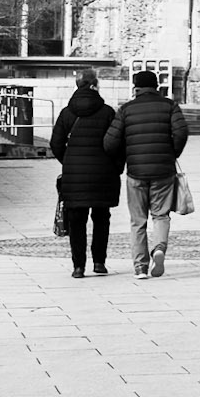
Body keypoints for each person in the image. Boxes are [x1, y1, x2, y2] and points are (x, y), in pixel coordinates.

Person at [103, 68, 188, 279]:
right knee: (161, 215)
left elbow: (110, 142)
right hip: (163, 171)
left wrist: (125, 155)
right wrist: (172, 153)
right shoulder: (170, 106)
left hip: (136, 172)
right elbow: (181, 132)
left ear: (136, 88)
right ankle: (159, 248)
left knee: (137, 221)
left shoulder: (126, 109)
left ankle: (140, 267)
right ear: (156, 87)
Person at [49, 71, 120, 278]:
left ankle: (78, 266)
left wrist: (69, 162)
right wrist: (115, 167)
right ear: (95, 86)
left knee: (76, 221)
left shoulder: (67, 113)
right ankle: (99, 262)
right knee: (101, 218)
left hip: (75, 176)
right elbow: (117, 142)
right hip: (102, 174)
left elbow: (55, 143)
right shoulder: (107, 112)